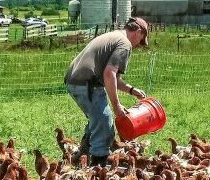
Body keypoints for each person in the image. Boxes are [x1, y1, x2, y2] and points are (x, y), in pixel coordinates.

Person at [64, 17, 149, 166]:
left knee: (96, 119)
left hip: (75, 81)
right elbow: (109, 74)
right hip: (87, 84)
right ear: (138, 32)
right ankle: (99, 165)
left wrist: (131, 90)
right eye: (141, 40)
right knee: (104, 122)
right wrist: (116, 106)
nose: (138, 45)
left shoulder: (113, 36)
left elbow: (114, 77)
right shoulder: (125, 44)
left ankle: (82, 156)